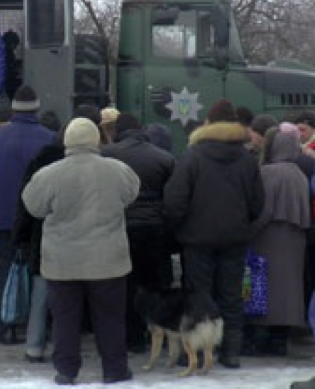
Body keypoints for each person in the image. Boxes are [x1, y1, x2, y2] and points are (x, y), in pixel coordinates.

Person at [22, 118, 140, 385]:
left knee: (65, 320)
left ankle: (66, 370)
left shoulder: (49, 174)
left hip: (63, 262)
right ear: (96, 140)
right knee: (110, 319)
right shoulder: (118, 170)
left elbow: (33, 206)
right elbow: (132, 193)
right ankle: (114, 369)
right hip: (108, 261)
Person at [163, 98, 265, 369]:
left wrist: (178, 228)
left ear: (208, 123)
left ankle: (195, 350)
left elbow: (175, 201)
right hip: (235, 239)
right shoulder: (247, 159)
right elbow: (258, 203)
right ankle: (231, 352)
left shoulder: (192, 157)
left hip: (197, 240)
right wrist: (242, 223)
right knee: (231, 296)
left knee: (199, 295)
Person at [0, 84, 56, 344]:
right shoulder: (50, 138)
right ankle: (37, 329)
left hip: (4, 217)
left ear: (12, 110)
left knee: (6, 272)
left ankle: (5, 327)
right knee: (39, 274)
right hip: (39, 219)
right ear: (36, 109)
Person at [101, 113, 175, 354]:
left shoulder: (107, 155)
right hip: (155, 230)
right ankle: (162, 335)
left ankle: (133, 339)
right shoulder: (164, 158)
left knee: (126, 285)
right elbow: (172, 198)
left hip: (121, 228)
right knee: (157, 284)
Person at [245, 127, 311, 357]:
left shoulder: (268, 173)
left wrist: (248, 231)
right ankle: (280, 339)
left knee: (264, 288)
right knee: (289, 290)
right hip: (296, 238)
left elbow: (264, 211)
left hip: (268, 237)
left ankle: (263, 337)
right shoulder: (299, 173)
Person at [12, 125, 65, 363]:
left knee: (40, 295)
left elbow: (25, 204)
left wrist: (20, 237)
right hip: (71, 240)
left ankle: (34, 346)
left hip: (41, 239)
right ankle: (63, 346)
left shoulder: (38, 164)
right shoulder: (78, 166)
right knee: (69, 299)